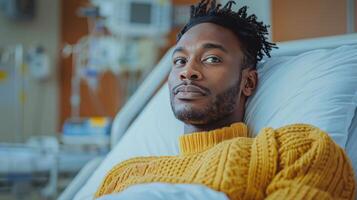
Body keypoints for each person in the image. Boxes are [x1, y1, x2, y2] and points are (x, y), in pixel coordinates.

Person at [95, 0, 356, 199]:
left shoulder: (295, 150)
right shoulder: (123, 175)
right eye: (179, 61)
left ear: (248, 82)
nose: (188, 71)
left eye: (212, 59)